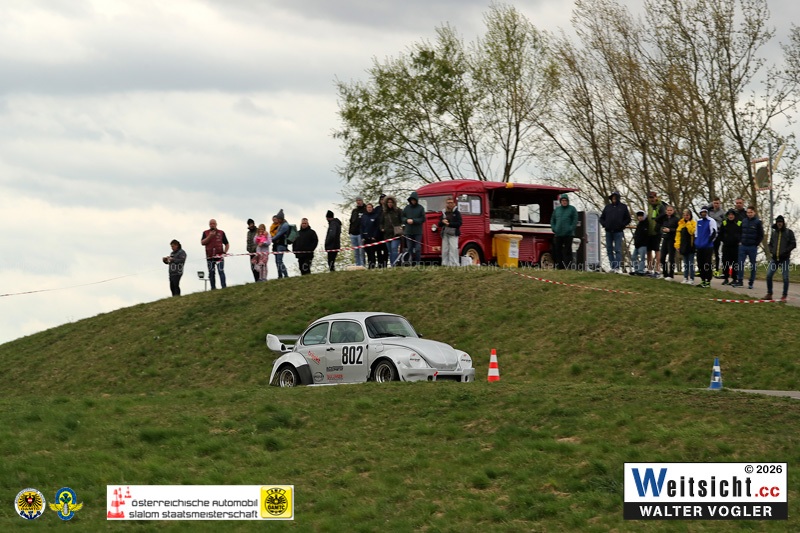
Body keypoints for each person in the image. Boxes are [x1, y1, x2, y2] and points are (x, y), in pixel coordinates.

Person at [763, 215, 796, 301]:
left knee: (785, 277)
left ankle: (784, 296)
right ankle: (769, 293)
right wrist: (771, 250)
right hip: (774, 259)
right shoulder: (774, 233)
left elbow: (793, 244)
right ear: (776, 223)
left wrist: (786, 251)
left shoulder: (789, 232)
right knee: (769, 275)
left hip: (784, 259)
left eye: (780, 222)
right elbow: (770, 244)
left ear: (783, 223)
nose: (779, 224)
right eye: (778, 222)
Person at [599, 191, 631, 273]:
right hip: (608, 231)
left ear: (618, 198)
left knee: (617, 250)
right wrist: (605, 224)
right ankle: (612, 266)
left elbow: (628, 219)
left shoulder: (623, 207)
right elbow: (601, 218)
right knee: (609, 250)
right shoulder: (607, 207)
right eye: (612, 197)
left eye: (615, 197)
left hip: (618, 232)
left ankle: (617, 267)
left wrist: (622, 225)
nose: (614, 198)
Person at [732, 206, 763, 289]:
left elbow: (761, 235)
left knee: (753, 265)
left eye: (751, 212)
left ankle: (751, 282)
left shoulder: (758, 222)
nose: (749, 214)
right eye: (748, 212)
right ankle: (740, 281)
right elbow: (739, 232)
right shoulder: (744, 221)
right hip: (743, 246)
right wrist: (740, 241)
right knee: (740, 264)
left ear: (754, 213)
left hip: (752, 247)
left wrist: (756, 244)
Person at [550, 193, 578, 270]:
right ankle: (560, 266)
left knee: (567, 251)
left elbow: (575, 220)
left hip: (568, 234)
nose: (564, 202)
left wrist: (570, 228)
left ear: (568, 201)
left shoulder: (572, 209)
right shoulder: (557, 210)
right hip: (558, 234)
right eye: (563, 200)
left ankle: (568, 266)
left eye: (565, 200)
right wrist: (554, 228)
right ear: (560, 201)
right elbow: (552, 220)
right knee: (557, 250)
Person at [201, 219, 229, 289]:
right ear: (209, 225)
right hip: (209, 256)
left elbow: (227, 244)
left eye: (213, 224)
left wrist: (225, 252)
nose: (212, 225)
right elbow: (202, 242)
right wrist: (210, 236)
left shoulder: (221, 232)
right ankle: (213, 288)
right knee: (211, 272)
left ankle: (224, 287)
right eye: (211, 224)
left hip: (219, 256)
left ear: (216, 224)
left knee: (221, 271)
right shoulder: (205, 233)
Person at [694, 206, 718, 288]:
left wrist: (708, 242)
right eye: (702, 212)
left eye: (705, 212)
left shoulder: (711, 221)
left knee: (707, 264)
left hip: (708, 247)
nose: (703, 213)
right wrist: (696, 243)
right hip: (699, 246)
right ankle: (703, 280)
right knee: (700, 264)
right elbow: (696, 233)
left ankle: (708, 281)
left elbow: (714, 233)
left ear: (707, 212)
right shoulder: (698, 221)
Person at [436, 197, 463, 267]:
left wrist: (449, 224)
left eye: (451, 203)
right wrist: (442, 222)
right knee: (445, 249)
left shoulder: (457, 213)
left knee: (453, 249)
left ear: (454, 203)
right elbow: (439, 224)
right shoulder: (444, 212)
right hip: (445, 233)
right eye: (448, 203)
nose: (450, 204)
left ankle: (454, 264)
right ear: (446, 204)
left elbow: (459, 223)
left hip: (453, 233)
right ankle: (445, 264)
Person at [646, 192, 667, 277]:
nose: (651, 199)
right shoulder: (650, 206)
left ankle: (658, 270)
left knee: (657, 250)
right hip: (649, 231)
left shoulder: (660, 206)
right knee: (648, 251)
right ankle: (649, 269)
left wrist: (658, 225)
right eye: (650, 197)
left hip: (657, 231)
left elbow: (664, 216)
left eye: (652, 197)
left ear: (656, 197)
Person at [718, 209, 742, 285]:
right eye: (729, 215)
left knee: (735, 263)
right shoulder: (724, 223)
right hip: (726, 246)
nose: (731, 216)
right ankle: (726, 278)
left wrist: (739, 240)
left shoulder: (739, 223)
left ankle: (734, 279)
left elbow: (742, 233)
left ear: (734, 216)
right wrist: (724, 240)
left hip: (735, 247)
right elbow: (720, 234)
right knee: (725, 263)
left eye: (732, 215)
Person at [402, 191, 426, 266]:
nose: (413, 201)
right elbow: (402, 217)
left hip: (418, 232)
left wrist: (414, 221)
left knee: (418, 248)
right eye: (411, 200)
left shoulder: (421, 208)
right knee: (409, 248)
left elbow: (423, 219)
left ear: (416, 200)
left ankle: (418, 263)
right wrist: (406, 220)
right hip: (408, 232)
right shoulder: (406, 208)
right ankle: (410, 263)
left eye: (414, 200)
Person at [657, 205, 679, 281]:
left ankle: (671, 275)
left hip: (672, 240)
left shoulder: (676, 219)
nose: (669, 212)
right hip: (665, 239)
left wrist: (670, 230)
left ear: (673, 211)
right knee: (662, 257)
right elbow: (657, 220)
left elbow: (678, 230)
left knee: (671, 258)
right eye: (668, 210)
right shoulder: (664, 218)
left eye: (670, 210)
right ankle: (665, 273)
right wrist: (664, 214)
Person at [675, 209, 696, 285]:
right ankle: (685, 278)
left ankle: (692, 278)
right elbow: (678, 236)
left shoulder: (693, 223)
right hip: (683, 246)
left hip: (691, 246)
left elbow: (692, 232)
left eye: (687, 215)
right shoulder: (680, 224)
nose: (686, 216)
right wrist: (677, 245)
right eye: (684, 215)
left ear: (690, 215)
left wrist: (688, 224)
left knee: (691, 263)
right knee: (685, 263)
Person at [381, 196, 403, 267]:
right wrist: (382, 228)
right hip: (387, 234)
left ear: (394, 203)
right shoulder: (384, 213)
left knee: (394, 249)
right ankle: (392, 264)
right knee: (390, 251)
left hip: (396, 234)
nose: (390, 204)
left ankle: (395, 263)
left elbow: (402, 221)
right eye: (388, 202)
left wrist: (401, 228)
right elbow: (381, 222)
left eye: (391, 202)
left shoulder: (398, 211)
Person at [707, 198, 725, 276]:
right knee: (708, 252)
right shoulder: (709, 211)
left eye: (717, 203)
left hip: (718, 233)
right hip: (709, 234)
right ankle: (708, 269)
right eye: (714, 203)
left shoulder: (722, 212)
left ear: (719, 204)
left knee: (717, 252)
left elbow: (724, 222)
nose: (716, 205)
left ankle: (717, 269)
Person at [360, 203, 382, 269]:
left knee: (373, 252)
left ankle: (373, 265)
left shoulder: (376, 216)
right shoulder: (364, 216)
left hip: (373, 238)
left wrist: (374, 236)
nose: (369, 209)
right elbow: (361, 227)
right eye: (368, 207)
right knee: (368, 252)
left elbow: (377, 227)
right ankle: (370, 265)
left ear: (372, 208)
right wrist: (362, 237)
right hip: (366, 237)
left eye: (370, 207)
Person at [271, 209, 290, 279]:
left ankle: (286, 275)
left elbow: (278, 235)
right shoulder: (281, 224)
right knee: (277, 261)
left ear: (281, 218)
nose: (277, 220)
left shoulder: (285, 225)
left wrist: (271, 239)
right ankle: (280, 275)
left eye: (278, 219)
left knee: (279, 261)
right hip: (277, 245)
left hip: (281, 245)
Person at [348, 197, 367, 267]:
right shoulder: (354, 211)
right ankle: (357, 265)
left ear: (362, 201)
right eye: (357, 200)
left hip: (360, 233)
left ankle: (362, 265)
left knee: (361, 251)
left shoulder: (365, 210)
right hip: (353, 233)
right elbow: (351, 221)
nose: (358, 202)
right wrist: (350, 231)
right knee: (356, 251)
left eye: (359, 200)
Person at [630, 210, 648, 276]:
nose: (640, 217)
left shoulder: (646, 224)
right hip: (637, 244)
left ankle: (641, 271)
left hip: (643, 244)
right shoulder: (639, 224)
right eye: (639, 216)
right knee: (633, 257)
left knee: (642, 258)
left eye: (641, 216)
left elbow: (644, 235)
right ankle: (636, 269)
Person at [374, 194, 389, 267]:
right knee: (378, 249)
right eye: (381, 199)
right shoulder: (377, 209)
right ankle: (380, 263)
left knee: (386, 249)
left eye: (384, 199)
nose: (383, 201)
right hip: (378, 232)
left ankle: (385, 263)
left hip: (386, 232)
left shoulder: (388, 208)